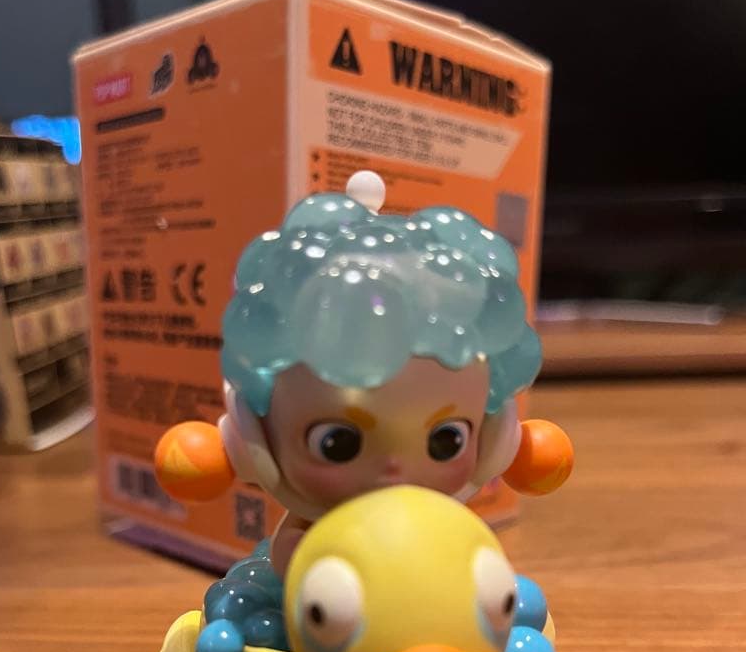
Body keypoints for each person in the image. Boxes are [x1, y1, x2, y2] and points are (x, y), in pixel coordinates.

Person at [156, 172, 573, 576]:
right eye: (336, 444)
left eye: (447, 441)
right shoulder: (309, 529)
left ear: (493, 440)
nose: (394, 468)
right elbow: (292, 561)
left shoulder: (448, 523)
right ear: (256, 440)